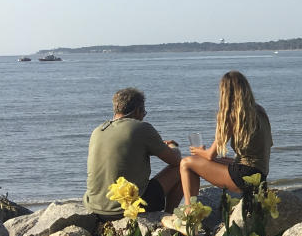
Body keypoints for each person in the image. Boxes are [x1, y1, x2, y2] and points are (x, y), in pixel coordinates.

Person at [83, 88, 183, 218]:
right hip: (126, 209)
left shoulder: (98, 130)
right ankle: (169, 217)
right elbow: (175, 160)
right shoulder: (142, 128)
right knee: (184, 168)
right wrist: (172, 146)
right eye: (144, 112)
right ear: (137, 111)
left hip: (94, 207)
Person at [178, 71, 273, 206]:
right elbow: (262, 150)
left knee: (186, 163)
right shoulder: (259, 111)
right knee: (215, 161)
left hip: (244, 178)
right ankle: (192, 208)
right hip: (260, 176)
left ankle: (189, 210)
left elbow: (210, 155)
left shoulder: (231, 115)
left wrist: (198, 151)